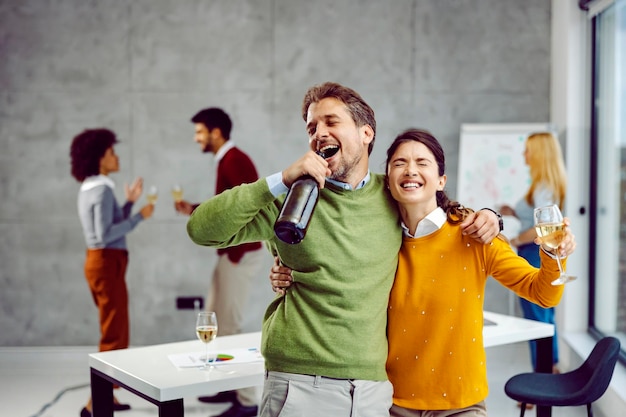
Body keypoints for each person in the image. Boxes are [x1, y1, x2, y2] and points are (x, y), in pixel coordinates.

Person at [186, 82, 501, 417]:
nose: (319, 133)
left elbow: (440, 211)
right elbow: (201, 230)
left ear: (366, 133)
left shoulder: (392, 193)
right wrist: (280, 179)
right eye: (312, 127)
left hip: (373, 390)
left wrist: (491, 216)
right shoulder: (289, 197)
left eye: (331, 122)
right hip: (300, 382)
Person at [270, 128, 576, 416]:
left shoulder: (474, 235)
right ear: (387, 179)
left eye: (422, 163)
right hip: (390, 402)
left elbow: (543, 295)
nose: (411, 170)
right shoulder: (375, 240)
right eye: (399, 163)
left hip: (462, 404)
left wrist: (552, 255)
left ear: (441, 180)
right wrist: (287, 272)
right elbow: (327, 274)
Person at [174, 107, 265, 417]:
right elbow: (228, 206)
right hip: (231, 254)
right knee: (214, 318)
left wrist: (235, 254)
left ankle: (248, 401)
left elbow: (250, 207)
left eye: (200, 131)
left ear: (216, 132)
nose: (196, 137)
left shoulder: (234, 159)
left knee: (229, 325)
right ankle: (229, 387)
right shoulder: (227, 159)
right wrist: (195, 209)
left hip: (239, 255)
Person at [70, 128, 154, 417]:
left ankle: (110, 396)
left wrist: (129, 201)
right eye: (111, 152)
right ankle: (96, 402)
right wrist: (138, 217)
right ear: (99, 158)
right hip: (107, 262)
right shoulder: (103, 189)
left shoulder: (91, 186)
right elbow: (105, 234)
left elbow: (100, 227)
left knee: (112, 328)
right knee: (114, 335)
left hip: (98, 263)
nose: (116, 156)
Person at [500, 132, 567, 377]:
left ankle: (543, 379)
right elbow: (539, 219)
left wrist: (515, 240)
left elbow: (544, 228)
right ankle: (550, 369)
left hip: (534, 253)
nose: (524, 154)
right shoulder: (545, 185)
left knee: (536, 319)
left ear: (539, 153)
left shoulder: (545, 187)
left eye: (527, 150)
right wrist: (515, 212)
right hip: (537, 252)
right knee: (544, 315)